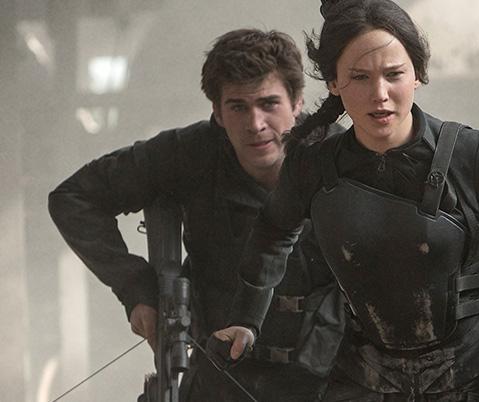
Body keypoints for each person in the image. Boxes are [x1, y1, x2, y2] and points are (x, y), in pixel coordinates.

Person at [213, 1, 479, 401]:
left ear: (417, 74)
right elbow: (272, 231)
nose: (380, 95)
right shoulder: (313, 165)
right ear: (334, 82)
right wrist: (247, 319)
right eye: (359, 77)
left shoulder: (475, 157)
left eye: (394, 75)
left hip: (470, 382)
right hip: (361, 380)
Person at [48, 28, 345, 402]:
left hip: (334, 382)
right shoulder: (192, 153)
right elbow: (75, 197)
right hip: (221, 381)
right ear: (217, 112)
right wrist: (137, 288)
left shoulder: (342, 159)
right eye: (238, 107)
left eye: (269, 104)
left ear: (297, 102)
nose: (255, 124)